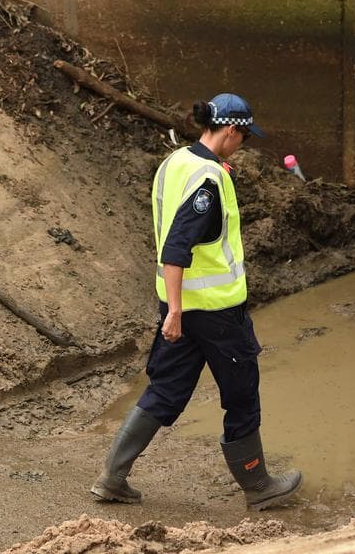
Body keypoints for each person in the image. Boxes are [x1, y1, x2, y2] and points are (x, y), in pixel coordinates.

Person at [91, 93, 302, 510]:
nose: (242, 145)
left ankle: (112, 478)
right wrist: (174, 311)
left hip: (183, 310)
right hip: (215, 313)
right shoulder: (208, 179)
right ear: (230, 130)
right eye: (243, 137)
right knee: (241, 395)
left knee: (166, 389)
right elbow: (176, 247)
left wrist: (173, 309)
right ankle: (259, 487)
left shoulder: (175, 162)